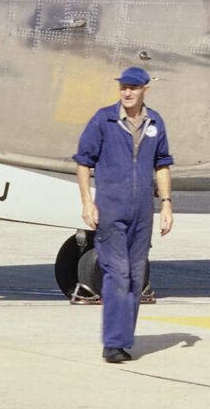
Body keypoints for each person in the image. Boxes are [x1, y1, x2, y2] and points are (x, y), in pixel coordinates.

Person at [73, 67, 175, 363]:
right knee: (117, 274)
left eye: (133, 87)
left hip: (143, 211)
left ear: (145, 90)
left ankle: (122, 339)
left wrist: (166, 204)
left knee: (135, 276)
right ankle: (113, 343)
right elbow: (83, 162)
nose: (127, 92)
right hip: (111, 209)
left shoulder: (155, 122)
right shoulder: (103, 119)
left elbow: (162, 164)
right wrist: (87, 202)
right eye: (123, 87)